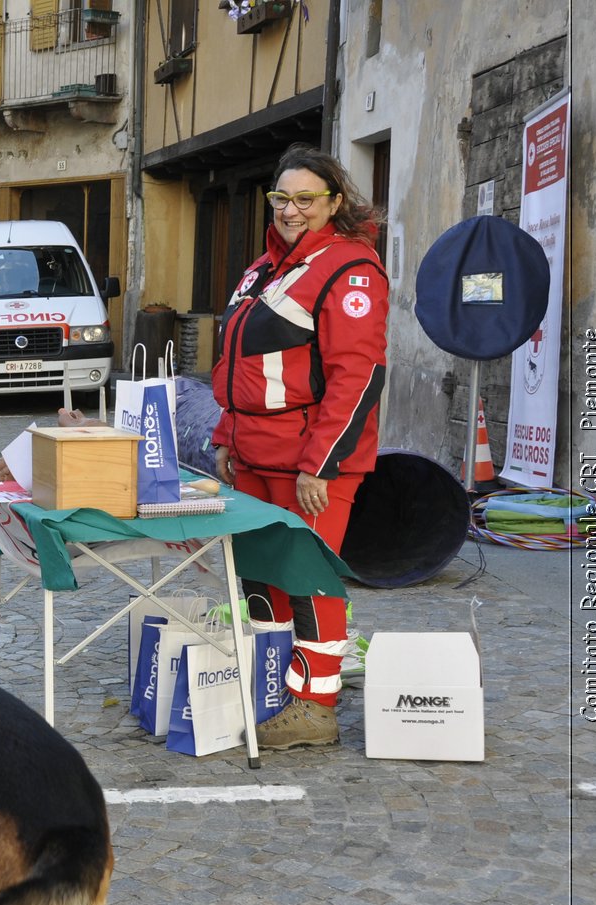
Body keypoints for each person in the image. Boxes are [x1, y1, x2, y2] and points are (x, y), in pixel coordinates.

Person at [211, 144, 388, 751]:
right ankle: (274, 687)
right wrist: (224, 437)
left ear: (334, 202)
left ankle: (314, 706)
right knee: (263, 577)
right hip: (253, 454)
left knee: (310, 578)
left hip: (310, 462)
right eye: (281, 197)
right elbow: (238, 364)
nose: (291, 209)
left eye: (305, 199)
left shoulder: (350, 268)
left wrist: (322, 463)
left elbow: (357, 374)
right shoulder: (263, 267)